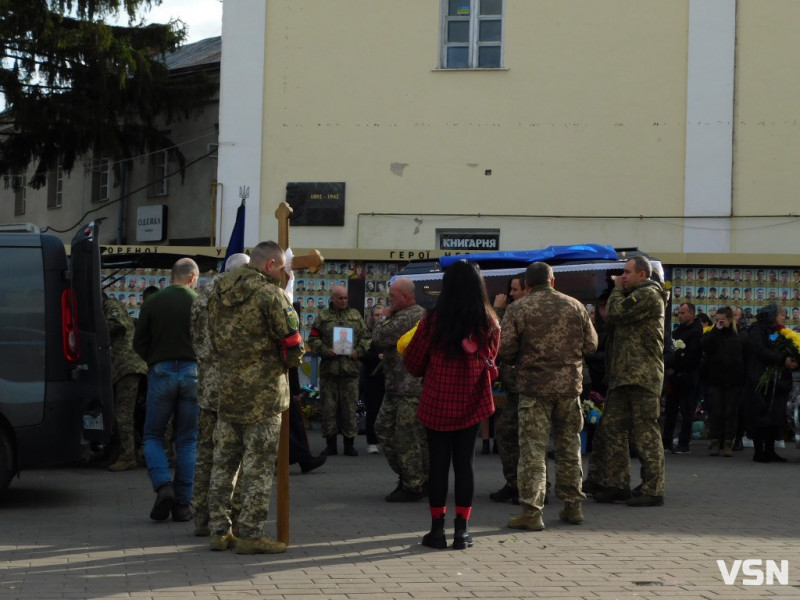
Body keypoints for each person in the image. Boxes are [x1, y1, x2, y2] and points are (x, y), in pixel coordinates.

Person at [206, 241, 303, 554]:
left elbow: (209, 335)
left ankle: (219, 531)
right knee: (258, 467)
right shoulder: (269, 293)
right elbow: (291, 341)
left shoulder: (217, 288)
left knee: (223, 464)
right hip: (262, 395)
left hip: (226, 388)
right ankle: (250, 535)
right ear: (272, 264)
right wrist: (290, 361)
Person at [403, 260, 499, 550]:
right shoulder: (489, 322)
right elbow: (492, 358)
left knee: (438, 466)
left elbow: (414, 361)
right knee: (465, 465)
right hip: (472, 401)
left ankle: (436, 530)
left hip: (436, 401)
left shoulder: (434, 320)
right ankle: (463, 532)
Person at [501, 263, 598, 531]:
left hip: (534, 390)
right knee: (569, 448)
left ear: (528, 285)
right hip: (569, 389)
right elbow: (591, 345)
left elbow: (505, 349)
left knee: (533, 450)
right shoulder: (575, 305)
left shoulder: (519, 308)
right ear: (553, 282)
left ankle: (532, 512)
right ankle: (572, 506)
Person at [593, 256, 668, 507]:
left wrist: (615, 291)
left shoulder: (647, 294)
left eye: (627, 272)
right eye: (621, 273)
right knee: (612, 429)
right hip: (622, 376)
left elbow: (617, 313)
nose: (622, 277)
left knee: (646, 433)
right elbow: (612, 322)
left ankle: (653, 488)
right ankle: (617, 484)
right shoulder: (632, 295)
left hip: (642, 377)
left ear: (643, 275)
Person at [133, 258, 200, 522]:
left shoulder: (153, 302)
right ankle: (183, 505)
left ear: (172, 276)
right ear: (193, 277)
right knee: (187, 439)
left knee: (152, 436)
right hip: (193, 373)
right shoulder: (199, 302)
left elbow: (139, 342)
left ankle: (163, 486)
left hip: (160, 372)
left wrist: (155, 359)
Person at [189, 252, 250, 537]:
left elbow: (197, 342)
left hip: (207, 388)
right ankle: (230, 519)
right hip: (233, 389)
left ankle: (201, 515)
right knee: (233, 457)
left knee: (206, 455)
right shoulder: (239, 299)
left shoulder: (201, 298)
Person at [372, 278, 428, 502]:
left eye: (393, 296)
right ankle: (413, 477)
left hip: (409, 389)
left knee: (406, 438)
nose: (389, 300)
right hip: (397, 387)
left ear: (406, 296)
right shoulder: (408, 314)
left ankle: (413, 483)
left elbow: (379, 337)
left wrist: (384, 316)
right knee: (386, 429)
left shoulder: (411, 315)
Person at [308, 285, 371, 456]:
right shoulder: (323, 317)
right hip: (330, 370)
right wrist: (324, 350)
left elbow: (366, 337)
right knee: (328, 409)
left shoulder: (355, 316)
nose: (343, 301)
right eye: (340, 298)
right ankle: (331, 444)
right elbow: (313, 339)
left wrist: (359, 351)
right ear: (333, 298)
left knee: (349, 409)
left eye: (345, 298)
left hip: (350, 371)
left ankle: (349, 444)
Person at [488, 273, 528, 504]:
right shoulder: (516, 309)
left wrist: (498, 311)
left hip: (526, 385)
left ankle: (529, 484)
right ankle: (514, 482)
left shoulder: (522, 312)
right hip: (514, 386)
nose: (511, 294)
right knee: (506, 434)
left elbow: (500, 342)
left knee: (526, 437)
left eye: (515, 289)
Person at [745, 304, 797, 463]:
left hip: (777, 379)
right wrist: (782, 359)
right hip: (760, 378)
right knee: (761, 414)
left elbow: (784, 349)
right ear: (771, 315)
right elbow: (759, 350)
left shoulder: (778, 331)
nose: (784, 317)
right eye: (782, 314)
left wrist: (792, 358)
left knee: (775, 416)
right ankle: (759, 452)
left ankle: (770, 451)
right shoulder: (756, 329)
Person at [103, 292, 148, 471]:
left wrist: (95, 326)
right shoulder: (111, 305)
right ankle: (124, 451)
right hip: (127, 367)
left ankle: (128, 456)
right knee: (125, 413)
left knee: (123, 414)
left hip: (127, 367)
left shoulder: (110, 304)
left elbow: (118, 326)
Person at [701, 306, 746, 457]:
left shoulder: (739, 334)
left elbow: (745, 356)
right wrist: (716, 330)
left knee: (730, 413)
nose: (720, 323)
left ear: (730, 319)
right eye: (717, 320)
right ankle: (715, 442)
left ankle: (728, 443)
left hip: (734, 381)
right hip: (715, 379)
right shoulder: (713, 334)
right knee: (716, 412)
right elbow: (705, 346)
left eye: (723, 320)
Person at [662, 303, 703, 454]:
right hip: (674, 376)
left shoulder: (697, 332)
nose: (680, 315)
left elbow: (692, 356)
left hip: (688, 376)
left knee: (687, 410)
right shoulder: (677, 331)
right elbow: (670, 349)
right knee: (671, 410)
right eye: (679, 313)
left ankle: (684, 443)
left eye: (683, 313)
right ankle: (666, 442)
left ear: (691, 314)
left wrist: (676, 366)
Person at [360, 304, 386, 455]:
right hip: (372, 377)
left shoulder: (390, 332)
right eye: (376, 315)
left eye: (382, 315)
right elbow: (362, 354)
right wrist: (377, 357)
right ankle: (372, 442)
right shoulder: (367, 334)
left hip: (389, 377)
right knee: (373, 411)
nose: (379, 318)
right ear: (371, 317)